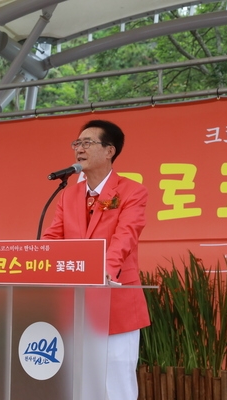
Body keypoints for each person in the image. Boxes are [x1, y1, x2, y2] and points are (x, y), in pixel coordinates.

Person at [42, 119, 150, 400]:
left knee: (116, 387)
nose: (79, 148)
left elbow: (125, 238)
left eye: (87, 142)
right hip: (76, 308)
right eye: (77, 143)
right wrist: (38, 263)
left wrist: (103, 272)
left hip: (116, 303)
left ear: (109, 150)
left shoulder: (132, 191)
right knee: (80, 386)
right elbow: (53, 238)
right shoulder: (68, 195)